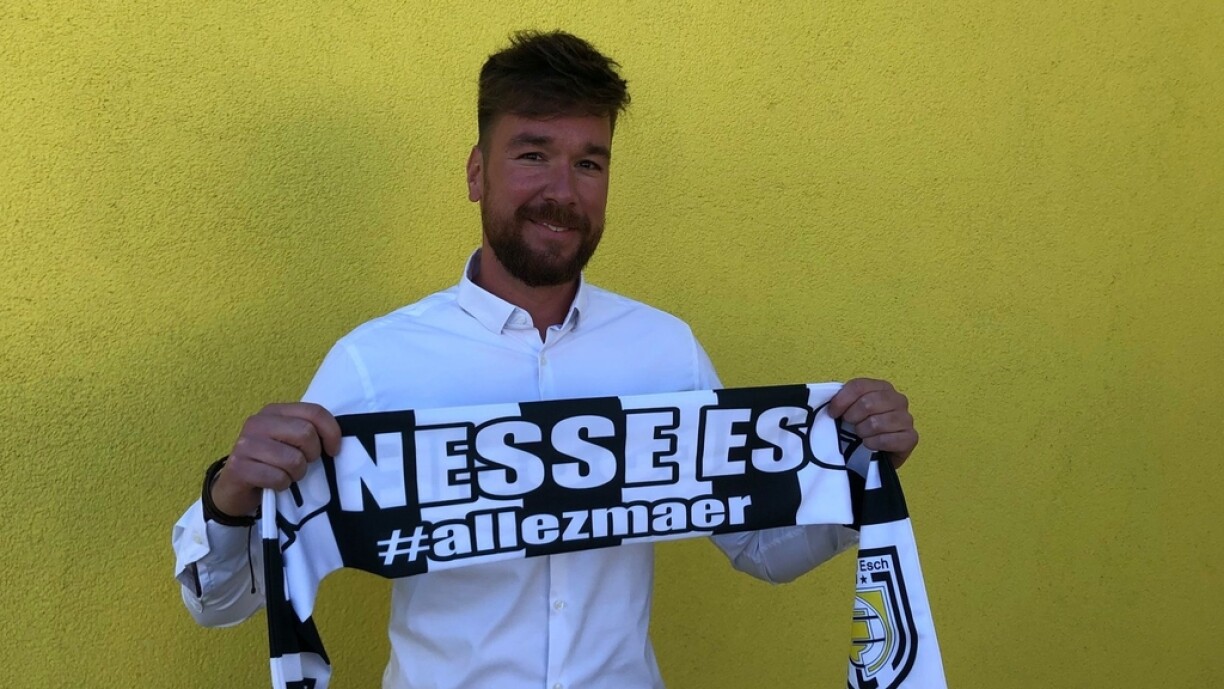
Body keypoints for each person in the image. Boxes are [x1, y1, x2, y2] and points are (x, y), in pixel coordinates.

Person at [171, 30, 919, 689]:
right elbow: (222, 601)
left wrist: (856, 467)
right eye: (533, 155)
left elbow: (757, 544)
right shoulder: (375, 363)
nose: (563, 191)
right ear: (476, 173)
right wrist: (233, 495)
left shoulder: (665, 350)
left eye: (589, 163)